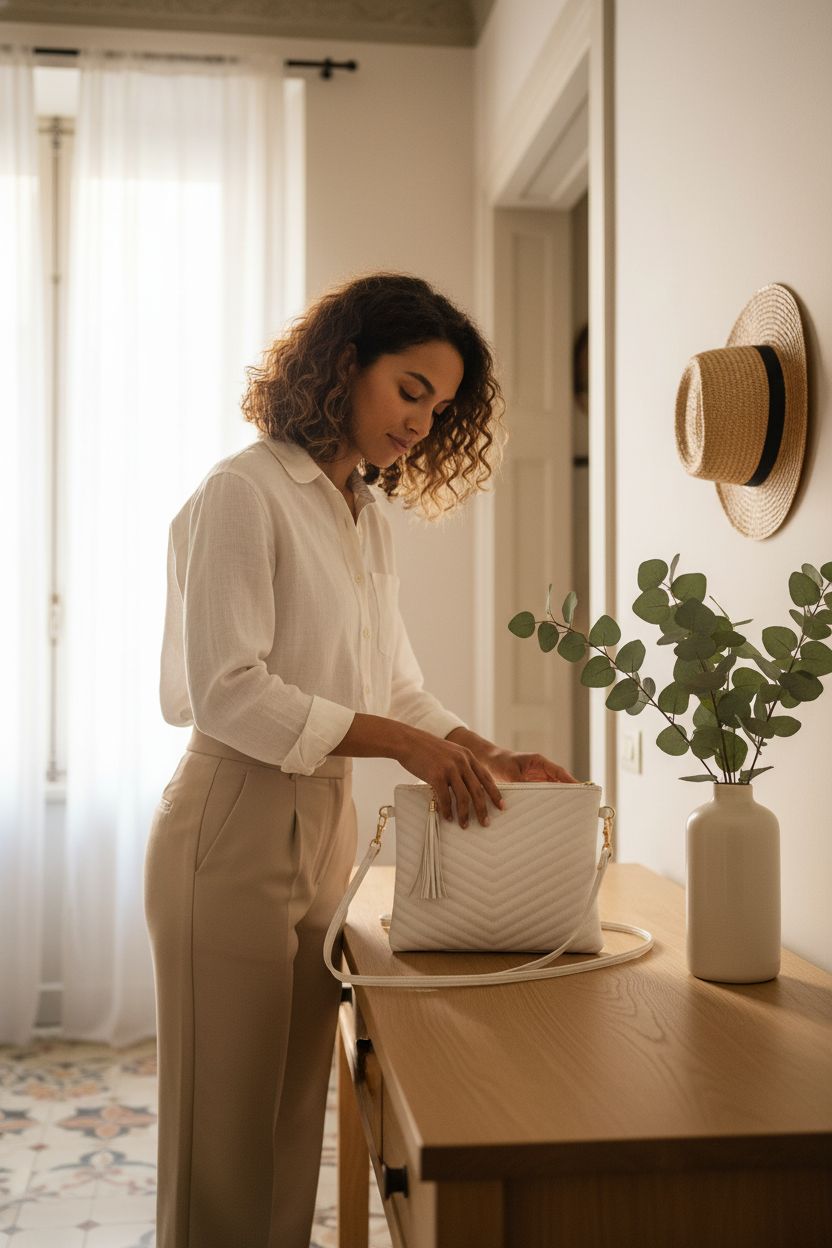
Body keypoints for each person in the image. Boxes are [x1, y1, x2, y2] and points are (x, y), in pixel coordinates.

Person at [143, 271, 576, 1248]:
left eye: (443, 405)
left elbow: (396, 690)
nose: (424, 421)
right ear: (344, 368)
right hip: (231, 825)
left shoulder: (363, 515)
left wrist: (485, 753)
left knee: (292, 1118)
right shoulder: (243, 493)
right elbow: (230, 690)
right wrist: (403, 745)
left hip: (323, 826)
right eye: (410, 389)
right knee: (223, 1132)